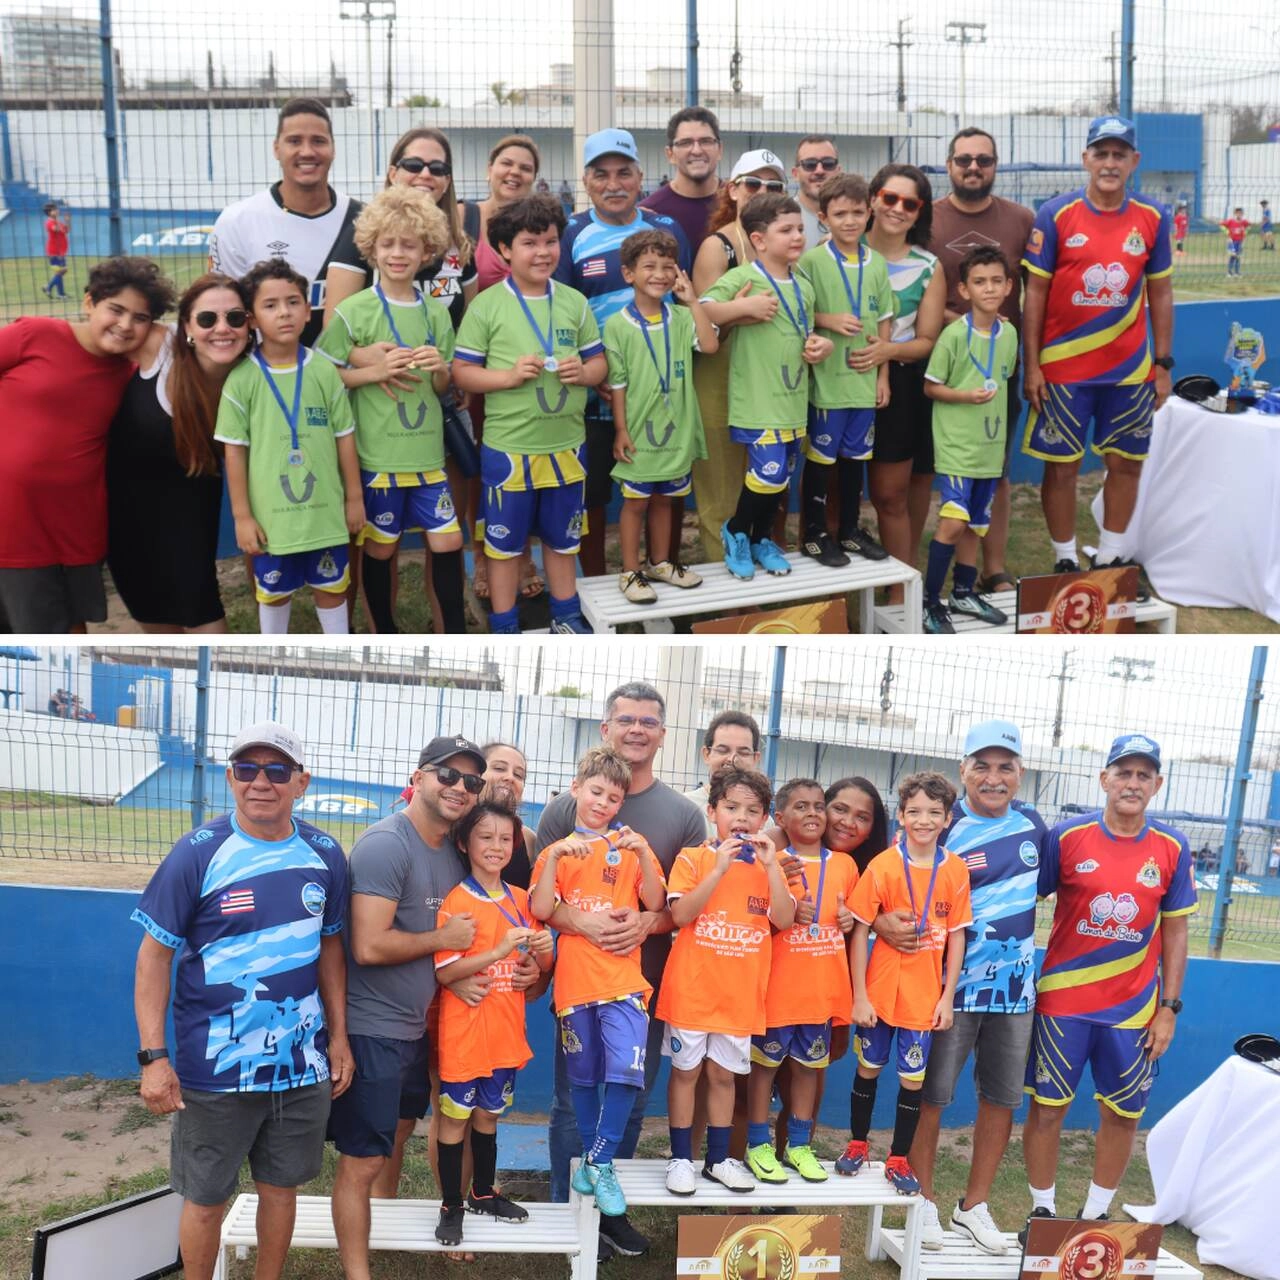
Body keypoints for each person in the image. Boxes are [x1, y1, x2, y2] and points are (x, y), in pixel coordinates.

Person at [131, 721, 352, 1280]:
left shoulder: (326, 854)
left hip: (300, 1068)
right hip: (215, 1073)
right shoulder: (197, 854)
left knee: (280, 1193)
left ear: (301, 782)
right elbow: (154, 958)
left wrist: (339, 1039)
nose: (261, 782)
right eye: (247, 769)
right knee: (205, 1201)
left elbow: (330, 950)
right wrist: (154, 1059)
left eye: (277, 770)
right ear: (230, 778)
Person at [534, 680, 707, 1260]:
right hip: (581, 981)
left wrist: (646, 924)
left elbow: (678, 906)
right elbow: (544, 898)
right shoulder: (565, 808)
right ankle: (566, 1212)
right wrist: (580, 926)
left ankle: (607, 1211)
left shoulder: (681, 814)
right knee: (570, 1095)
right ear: (605, 728)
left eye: (649, 721)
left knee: (630, 1096)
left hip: (641, 985)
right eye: (625, 718)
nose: (637, 728)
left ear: (662, 734)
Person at [1021, 733, 1196, 1238]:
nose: (1132, 783)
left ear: (1157, 784)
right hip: (1063, 1004)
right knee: (1047, 1109)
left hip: (1134, 1011)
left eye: (1144, 775)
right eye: (1123, 772)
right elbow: (1025, 895)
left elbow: (1176, 928)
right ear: (1104, 779)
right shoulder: (1067, 837)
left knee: (1122, 1115)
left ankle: (1096, 1216)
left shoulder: (1171, 846)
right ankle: (1043, 1214)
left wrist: (1169, 1007)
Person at [327, 734, 487, 1280]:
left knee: (396, 1137)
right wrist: (443, 936)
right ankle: (357, 1272)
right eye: (448, 774)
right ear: (417, 777)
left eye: (471, 781)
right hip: (374, 1030)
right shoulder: (385, 844)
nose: (459, 788)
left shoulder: (450, 849)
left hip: (417, 1028)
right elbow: (369, 946)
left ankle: (385, 1224)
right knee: (362, 1159)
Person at [321, 126, 479, 636]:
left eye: (409, 245)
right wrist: (374, 371)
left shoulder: (436, 313)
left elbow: (443, 389)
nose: (397, 253)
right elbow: (328, 375)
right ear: (370, 247)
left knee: (448, 541)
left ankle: (452, 630)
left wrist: (438, 371)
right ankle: (383, 630)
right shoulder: (354, 312)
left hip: (428, 456)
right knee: (382, 545)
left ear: (426, 250)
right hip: (379, 458)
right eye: (387, 244)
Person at [899, 720, 1047, 1254]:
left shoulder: (1034, 828)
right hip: (947, 992)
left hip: (1014, 995)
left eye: (1005, 766)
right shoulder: (939, 824)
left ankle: (973, 1206)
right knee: (930, 1098)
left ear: (1020, 773)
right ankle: (924, 1201)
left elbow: (1037, 891)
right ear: (962, 770)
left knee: (1001, 1101)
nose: (993, 776)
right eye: (981, 766)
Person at [1022, 116, 1174, 577]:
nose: (1110, 163)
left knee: (1125, 464)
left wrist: (1163, 363)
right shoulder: (1056, 214)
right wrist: (1033, 365)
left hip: (1129, 370)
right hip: (1063, 371)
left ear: (1134, 161)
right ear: (1086, 158)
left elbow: (1161, 292)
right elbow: (1036, 295)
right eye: (1101, 153)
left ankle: (1111, 554)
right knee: (1062, 468)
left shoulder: (1152, 218)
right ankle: (1065, 556)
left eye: (1119, 154)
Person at [453, 194, 607, 635]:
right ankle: (505, 625)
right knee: (503, 547)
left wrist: (585, 370)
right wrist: (508, 376)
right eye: (530, 243)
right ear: (504, 249)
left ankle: (566, 615)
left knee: (562, 542)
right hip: (510, 451)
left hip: (565, 449)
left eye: (551, 241)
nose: (543, 252)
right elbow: (462, 373)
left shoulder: (575, 302)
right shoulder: (486, 305)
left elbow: (600, 366)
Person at [0, 255, 175, 634]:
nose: (126, 325)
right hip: (11, 519)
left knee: (56, 632)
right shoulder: (36, 334)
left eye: (140, 317)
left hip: (66, 530)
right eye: (116, 309)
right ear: (89, 303)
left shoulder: (131, 374)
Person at [529, 747, 668, 1219]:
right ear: (576, 789)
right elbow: (544, 910)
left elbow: (653, 899)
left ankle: (599, 1159)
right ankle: (595, 1164)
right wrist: (552, 861)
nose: (603, 803)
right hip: (574, 987)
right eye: (596, 792)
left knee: (627, 1074)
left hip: (624, 982)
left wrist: (645, 853)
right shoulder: (556, 851)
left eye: (613, 797)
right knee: (583, 1080)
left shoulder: (630, 850)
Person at [555, 128, 691, 579]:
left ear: (640, 176)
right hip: (597, 399)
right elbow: (562, 312)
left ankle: (663, 567)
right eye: (601, 174)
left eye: (624, 173)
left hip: (660, 398)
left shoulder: (666, 229)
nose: (613, 184)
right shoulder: (571, 233)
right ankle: (595, 582)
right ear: (586, 181)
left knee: (663, 490)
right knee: (593, 495)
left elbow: (684, 298)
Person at [659, 767, 794, 1193]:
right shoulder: (693, 858)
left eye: (752, 811)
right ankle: (681, 1159)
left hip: (739, 999)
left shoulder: (774, 866)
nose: (741, 818)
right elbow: (680, 915)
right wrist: (717, 870)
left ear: (764, 819)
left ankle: (718, 1159)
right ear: (712, 811)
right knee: (685, 1074)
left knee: (722, 1077)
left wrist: (772, 867)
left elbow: (784, 918)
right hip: (692, 995)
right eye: (731, 808)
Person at [215, 259, 364, 634]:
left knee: (332, 590)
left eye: (294, 302)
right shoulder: (241, 380)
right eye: (271, 305)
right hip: (272, 522)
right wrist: (242, 517)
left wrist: (353, 498)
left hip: (325, 517)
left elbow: (344, 437)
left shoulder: (324, 371)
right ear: (251, 318)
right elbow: (234, 452)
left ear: (307, 308)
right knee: (274, 593)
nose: (284, 313)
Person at [841, 771, 972, 1195]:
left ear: (948, 818)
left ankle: (898, 1157)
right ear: (901, 816)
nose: (924, 820)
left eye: (935, 812)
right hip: (879, 993)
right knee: (868, 1069)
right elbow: (860, 929)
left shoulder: (954, 871)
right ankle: (857, 1144)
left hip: (922, 997)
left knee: (912, 1080)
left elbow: (956, 935)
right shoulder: (883, 865)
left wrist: (947, 998)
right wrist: (859, 995)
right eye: (914, 811)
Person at [433, 800, 554, 1247]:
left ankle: (483, 1192)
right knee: (454, 1121)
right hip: (465, 1037)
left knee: (489, 1117)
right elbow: (445, 973)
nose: (496, 846)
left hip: (504, 1035)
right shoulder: (456, 902)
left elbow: (541, 966)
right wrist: (498, 951)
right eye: (486, 837)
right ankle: (451, 1204)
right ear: (465, 843)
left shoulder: (523, 900)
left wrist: (542, 951)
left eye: (506, 839)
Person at [107, 272, 251, 633]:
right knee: (152, 615)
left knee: (200, 608)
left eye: (235, 317)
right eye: (207, 319)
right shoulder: (158, 346)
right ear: (186, 325)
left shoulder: (256, 372)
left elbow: (317, 377)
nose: (222, 328)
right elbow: (89, 341)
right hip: (125, 514)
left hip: (190, 510)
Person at [700, 192, 833, 580]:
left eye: (800, 229)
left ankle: (760, 538)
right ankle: (737, 530)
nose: (797, 236)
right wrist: (742, 308)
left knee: (780, 479)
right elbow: (703, 308)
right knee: (768, 474)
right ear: (758, 240)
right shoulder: (744, 277)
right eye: (785, 230)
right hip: (757, 400)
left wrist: (820, 345)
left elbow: (806, 331)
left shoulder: (803, 283)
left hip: (793, 400)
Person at [929, 128, 1035, 594]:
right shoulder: (927, 219)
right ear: (949, 165)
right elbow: (919, 290)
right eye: (964, 159)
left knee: (997, 474)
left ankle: (991, 570)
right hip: (945, 358)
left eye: (984, 160)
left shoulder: (1021, 219)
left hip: (999, 367)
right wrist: (962, 324)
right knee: (934, 477)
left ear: (996, 165)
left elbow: (1037, 290)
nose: (974, 167)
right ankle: (924, 580)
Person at [745, 777, 856, 1187]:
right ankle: (757, 1143)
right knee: (764, 1071)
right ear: (779, 818)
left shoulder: (844, 865)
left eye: (818, 806)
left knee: (809, 1070)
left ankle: (798, 1145)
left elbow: (853, 919)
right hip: (777, 992)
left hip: (820, 993)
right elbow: (759, 919)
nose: (812, 814)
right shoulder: (772, 863)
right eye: (801, 807)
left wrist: (847, 922)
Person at [605, 229, 716, 603]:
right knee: (635, 501)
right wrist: (620, 429)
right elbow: (617, 384)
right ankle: (630, 570)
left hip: (677, 431)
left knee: (667, 499)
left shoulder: (682, 318)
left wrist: (693, 301)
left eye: (668, 267)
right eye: (649, 266)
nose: (660, 274)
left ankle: (661, 562)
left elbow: (711, 345)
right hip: (639, 430)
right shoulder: (618, 325)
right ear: (628, 274)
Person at [689, 149, 789, 562]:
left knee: (767, 481)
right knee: (721, 490)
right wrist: (739, 311)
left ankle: (761, 577)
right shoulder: (719, 247)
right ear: (732, 190)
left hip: (768, 382)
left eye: (774, 186)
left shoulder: (785, 244)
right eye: (753, 183)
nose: (762, 191)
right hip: (720, 377)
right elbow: (701, 329)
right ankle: (725, 601)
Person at [461, 135, 545, 604]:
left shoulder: (538, 226)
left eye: (525, 168)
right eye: (506, 163)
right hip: (478, 363)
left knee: (528, 466)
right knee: (481, 470)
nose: (514, 173)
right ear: (490, 167)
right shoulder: (464, 218)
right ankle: (484, 557)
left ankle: (525, 555)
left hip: (528, 368)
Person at [921, 246, 1020, 633]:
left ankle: (964, 590)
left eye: (997, 281)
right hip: (957, 445)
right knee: (952, 521)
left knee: (976, 524)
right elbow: (931, 387)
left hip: (989, 448)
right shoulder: (952, 336)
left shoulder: (1009, 334)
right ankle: (931, 602)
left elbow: (1004, 375)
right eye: (980, 282)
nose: (990, 289)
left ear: (1009, 286)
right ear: (964, 290)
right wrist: (966, 396)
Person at [209, 98, 360, 348]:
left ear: (333, 149)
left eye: (319, 141)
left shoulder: (362, 220)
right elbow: (224, 312)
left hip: (348, 377)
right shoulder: (236, 221)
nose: (307, 151)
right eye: (294, 141)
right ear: (276, 148)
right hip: (267, 376)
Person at [798, 172, 894, 568]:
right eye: (840, 214)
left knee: (856, 460)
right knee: (822, 462)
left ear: (869, 213)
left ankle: (850, 530)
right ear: (824, 217)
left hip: (863, 383)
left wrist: (884, 374)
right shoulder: (811, 261)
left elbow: (885, 319)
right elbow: (799, 312)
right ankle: (815, 534)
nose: (850, 221)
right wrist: (829, 319)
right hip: (828, 383)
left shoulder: (878, 263)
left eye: (857, 212)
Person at [862, 165, 946, 588]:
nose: (897, 209)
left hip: (900, 386)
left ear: (919, 213)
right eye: (890, 198)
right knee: (834, 499)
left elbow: (928, 338)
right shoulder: (834, 248)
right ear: (873, 198)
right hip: (838, 380)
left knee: (890, 495)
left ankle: (900, 593)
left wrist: (887, 351)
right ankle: (834, 595)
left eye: (909, 204)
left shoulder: (928, 265)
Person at [643, 107, 724, 256]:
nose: (697, 150)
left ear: (720, 150)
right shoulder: (650, 213)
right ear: (670, 154)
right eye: (686, 143)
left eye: (706, 141)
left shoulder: (737, 204)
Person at [682, 710, 763, 836]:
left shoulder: (763, 821)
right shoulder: (684, 808)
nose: (732, 759)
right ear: (706, 754)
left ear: (755, 759)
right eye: (723, 750)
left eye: (743, 752)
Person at [481, 741, 537, 889]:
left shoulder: (528, 839)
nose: (510, 777)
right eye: (499, 768)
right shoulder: (452, 829)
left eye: (519, 775)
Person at [792, 136, 842, 247]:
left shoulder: (856, 219)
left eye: (828, 163)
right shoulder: (782, 219)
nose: (819, 171)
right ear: (795, 174)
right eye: (810, 164)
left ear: (838, 171)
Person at [41, 201, 70, 298]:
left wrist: (67, 221)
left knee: (61, 271)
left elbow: (67, 230)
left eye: (57, 209)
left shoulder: (58, 222)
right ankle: (57, 292)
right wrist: (56, 219)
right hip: (54, 251)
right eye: (54, 210)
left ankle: (52, 290)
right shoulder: (49, 222)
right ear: (49, 212)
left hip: (60, 251)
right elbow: (56, 229)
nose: (57, 211)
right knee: (61, 271)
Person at [1221, 207, 1249, 277]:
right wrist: (1227, 232)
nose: (1239, 215)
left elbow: (1249, 226)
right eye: (1237, 213)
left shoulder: (1244, 222)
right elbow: (1222, 225)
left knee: (1238, 257)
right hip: (1232, 242)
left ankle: (1237, 272)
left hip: (1240, 242)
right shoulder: (1231, 221)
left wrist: (1245, 232)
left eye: (1240, 213)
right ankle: (1229, 272)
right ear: (1235, 214)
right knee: (1232, 256)